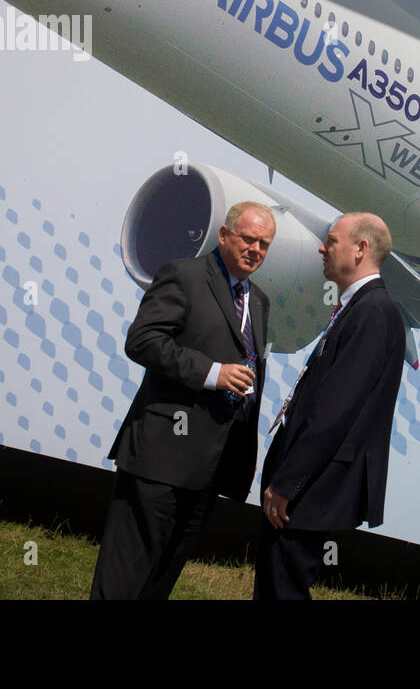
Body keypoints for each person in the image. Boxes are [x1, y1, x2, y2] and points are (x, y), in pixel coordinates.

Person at [90, 202, 275, 599]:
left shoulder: (258, 301)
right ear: (224, 235)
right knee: (125, 577)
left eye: (264, 244)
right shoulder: (184, 275)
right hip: (159, 458)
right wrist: (213, 374)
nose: (255, 249)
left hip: (210, 469)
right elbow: (143, 341)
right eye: (248, 238)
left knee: (160, 579)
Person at [254, 212, 406, 599]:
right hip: (309, 482)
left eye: (332, 240)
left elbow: (335, 411)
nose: (322, 247)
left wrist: (289, 482)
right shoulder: (360, 308)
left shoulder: (373, 312)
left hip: (313, 486)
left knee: (282, 588)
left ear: (360, 249)